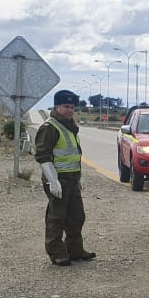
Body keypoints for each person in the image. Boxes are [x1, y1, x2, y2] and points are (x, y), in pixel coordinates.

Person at [35, 89, 95, 266]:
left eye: (72, 107)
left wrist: (79, 177)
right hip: (58, 180)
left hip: (72, 179)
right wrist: (53, 180)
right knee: (57, 217)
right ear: (57, 106)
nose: (70, 110)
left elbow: (74, 154)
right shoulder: (50, 127)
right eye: (66, 106)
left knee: (77, 216)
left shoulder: (70, 125)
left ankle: (75, 250)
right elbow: (43, 156)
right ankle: (57, 253)